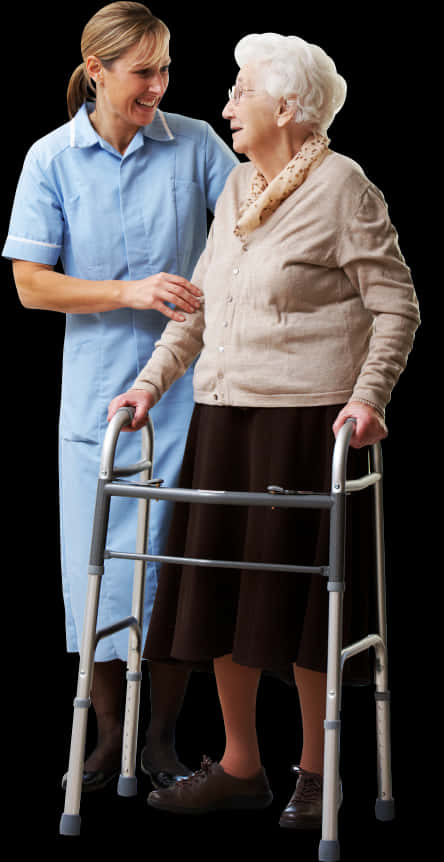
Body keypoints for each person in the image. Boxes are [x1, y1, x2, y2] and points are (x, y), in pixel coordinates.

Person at [107, 31, 420, 826]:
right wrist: (147, 386)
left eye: (240, 92)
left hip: (307, 420)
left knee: (299, 606)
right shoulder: (239, 189)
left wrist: (369, 397)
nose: (226, 107)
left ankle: (318, 772)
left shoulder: (344, 185)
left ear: (288, 106)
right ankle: (242, 765)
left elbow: (396, 305)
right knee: (217, 596)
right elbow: (200, 310)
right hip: (223, 416)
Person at [2, 2, 237, 792]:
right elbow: (32, 285)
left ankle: (161, 740)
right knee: (96, 569)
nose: (159, 86)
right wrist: (130, 292)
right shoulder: (52, 160)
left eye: (167, 68)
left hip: (188, 390)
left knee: (171, 568)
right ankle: (109, 739)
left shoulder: (196, 144)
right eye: (144, 71)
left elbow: (252, 223)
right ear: (96, 71)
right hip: (99, 398)